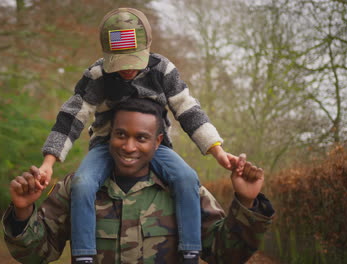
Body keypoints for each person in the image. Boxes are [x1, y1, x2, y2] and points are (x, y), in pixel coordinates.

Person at [37, 8, 243, 261]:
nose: (127, 71)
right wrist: (49, 162)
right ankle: (83, 255)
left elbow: (187, 109)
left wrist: (217, 151)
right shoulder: (97, 75)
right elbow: (72, 115)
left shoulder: (162, 70)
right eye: (119, 63)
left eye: (133, 61)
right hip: (106, 144)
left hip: (157, 147)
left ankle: (190, 250)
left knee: (187, 178)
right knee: (82, 183)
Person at [5, 98, 274, 264]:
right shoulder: (77, 188)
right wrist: (22, 211)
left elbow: (226, 256)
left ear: (158, 142)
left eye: (142, 138)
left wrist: (247, 202)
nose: (129, 146)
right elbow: (36, 255)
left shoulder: (185, 190)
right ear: (109, 135)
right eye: (121, 134)